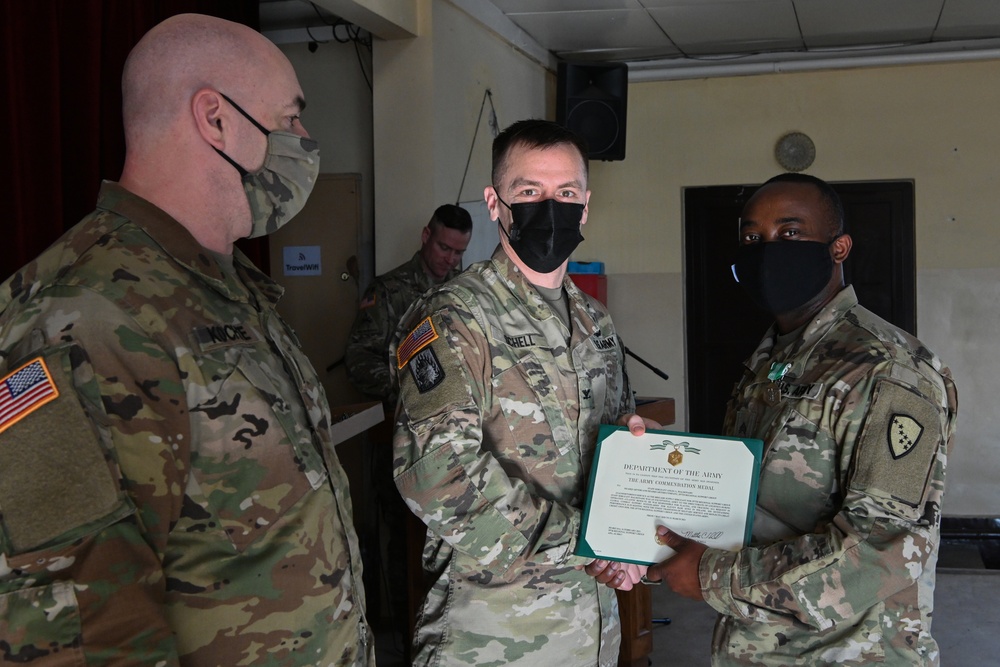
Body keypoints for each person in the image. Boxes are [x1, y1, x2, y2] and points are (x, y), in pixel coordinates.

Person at [0, 14, 373, 665]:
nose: (305, 140)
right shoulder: (75, 313)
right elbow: (78, 631)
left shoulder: (233, 288)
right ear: (215, 118)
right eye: (290, 118)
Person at [643, 173, 958, 665]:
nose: (769, 249)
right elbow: (749, 501)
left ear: (839, 248)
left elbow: (884, 547)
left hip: (849, 653)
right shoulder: (771, 361)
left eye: (791, 232)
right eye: (753, 237)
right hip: (755, 643)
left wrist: (711, 575)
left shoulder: (889, 369)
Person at [391, 119, 650, 667]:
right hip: (493, 631)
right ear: (495, 202)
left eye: (566, 193)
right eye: (529, 191)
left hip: (594, 626)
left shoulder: (595, 320)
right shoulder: (456, 316)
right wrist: (588, 540)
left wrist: (633, 527)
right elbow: (438, 474)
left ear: (585, 206)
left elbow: (620, 438)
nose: (549, 207)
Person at [345, 203, 472, 404]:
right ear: (426, 236)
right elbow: (359, 357)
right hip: (404, 415)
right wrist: (406, 390)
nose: (450, 259)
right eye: (444, 248)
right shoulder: (387, 290)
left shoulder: (463, 289)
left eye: (459, 252)